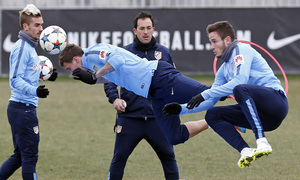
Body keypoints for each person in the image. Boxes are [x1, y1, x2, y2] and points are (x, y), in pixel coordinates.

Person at [163, 21, 288, 168]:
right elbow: (210, 101)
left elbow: (240, 81)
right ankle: (245, 150)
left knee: (240, 89)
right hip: (264, 119)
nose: (211, 47)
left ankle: (261, 141)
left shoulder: (242, 49)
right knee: (212, 114)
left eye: (214, 41)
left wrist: (205, 93)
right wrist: (181, 109)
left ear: (227, 40)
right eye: (211, 42)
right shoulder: (223, 70)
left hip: (276, 104)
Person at [104, 11, 179, 180]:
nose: (145, 32)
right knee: (119, 159)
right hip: (130, 118)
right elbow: (109, 80)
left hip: (157, 119)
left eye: (148, 28)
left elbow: (174, 81)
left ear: (153, 29)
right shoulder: (122, 53)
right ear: (134, 31)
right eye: (141, 28)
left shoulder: (164, 53)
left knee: (169, 158)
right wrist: (114, 98)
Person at [0, 4, 57, 180]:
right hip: (22, 109)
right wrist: (35, 91)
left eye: (41, 24)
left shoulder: (29, 46)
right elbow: (15, 80)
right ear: (25, 27)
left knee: (20, 157)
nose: (41, 29)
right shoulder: (23, 47)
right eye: (37, 25)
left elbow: (26, 75)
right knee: (29, 157)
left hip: (22, 109)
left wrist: (45, 76)